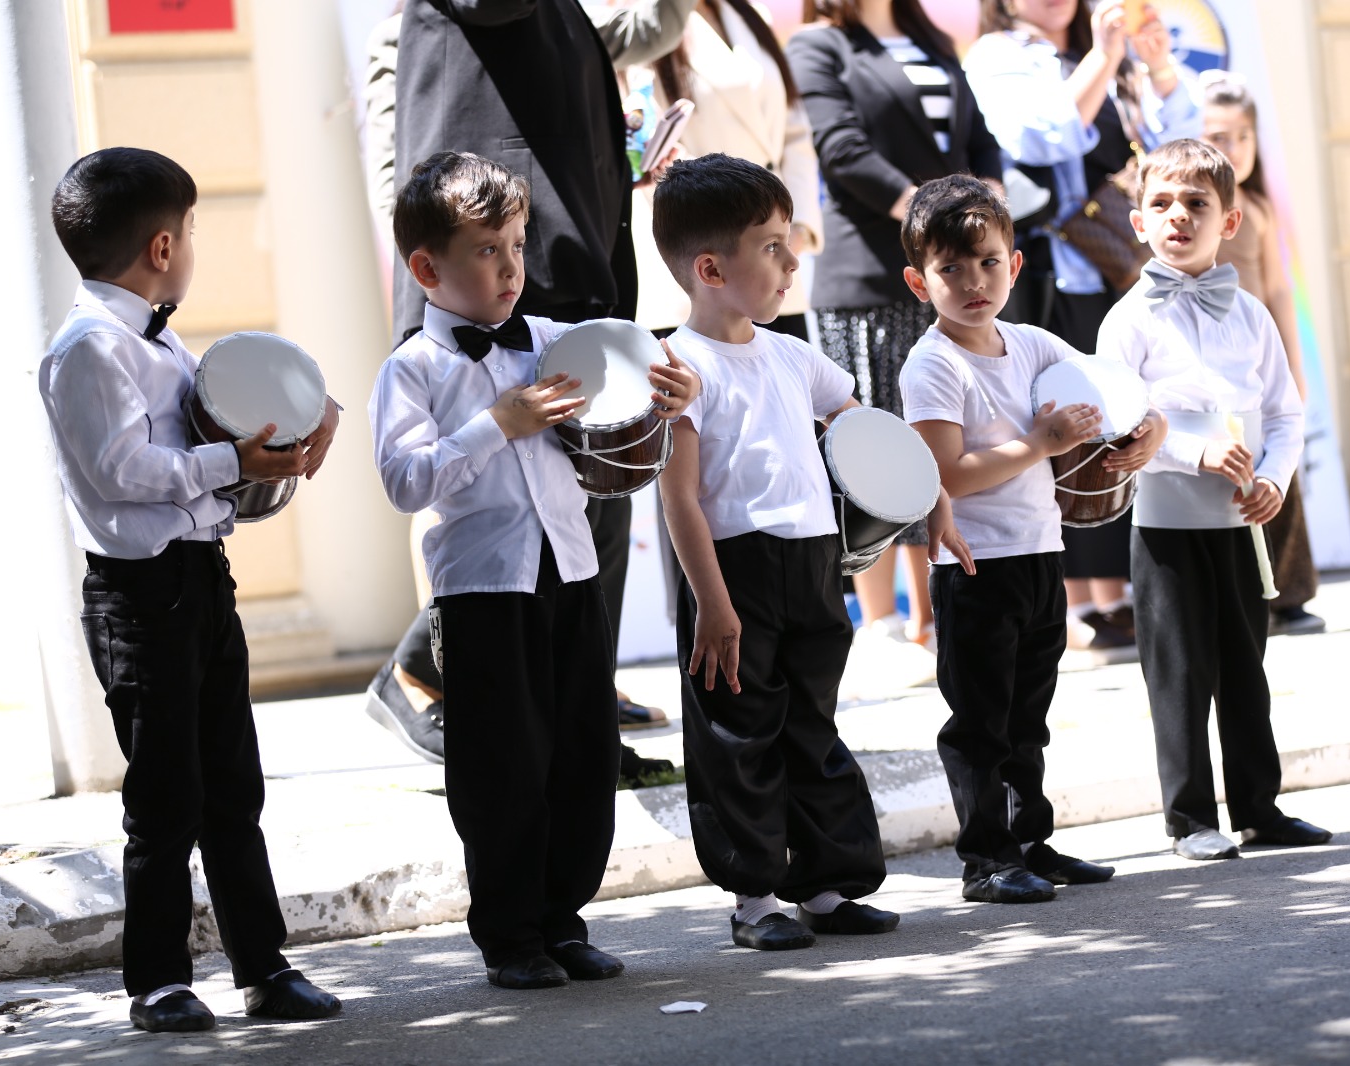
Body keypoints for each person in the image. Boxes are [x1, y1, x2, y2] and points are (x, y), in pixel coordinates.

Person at [370, 151, 700, 988]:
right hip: (484, 592)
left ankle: (564, 920)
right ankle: (511, 936)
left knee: (582, 755)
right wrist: (495, 425)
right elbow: (405, 482)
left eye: (517, 245)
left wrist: (672, 391)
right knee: (501, 769)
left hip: (573, 574)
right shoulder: (412, 369)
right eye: (488, 251)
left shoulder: (553, 341)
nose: (511, 267)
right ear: (426, 269)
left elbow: (634, 389)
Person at [40, 148, 342, 1032]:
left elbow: (216, 421)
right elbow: (121, 470)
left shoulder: (163, 339)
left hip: (202, 580)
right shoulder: (88, 349)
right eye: (193, 231)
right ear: (164, 247)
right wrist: (229, 462)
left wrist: (306, 420)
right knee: (165, 801)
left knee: (232, 790)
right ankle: (159, 982)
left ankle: (264, 969)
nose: (194, 246)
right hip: (140, 598)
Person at [366, 0, 698, 764]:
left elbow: (631, 39)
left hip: (561, 265)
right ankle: (424, 672)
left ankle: (581, 713)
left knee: (595, 497)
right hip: (494, 276)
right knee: (516, 499)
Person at [654, 153, 967, 950]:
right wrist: (713, 604)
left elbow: (863, 430)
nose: (793, 261)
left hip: (814, 562)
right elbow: (679, 498)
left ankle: (827, 888)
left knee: (812, 727)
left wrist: (929, 496)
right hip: (733, 572)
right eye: (772, 247)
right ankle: (755, 899)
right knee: (740, 736)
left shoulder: (792, 353)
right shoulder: (680, 368)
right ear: (710, 268)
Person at [898, 174, 1164, 902]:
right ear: (919, 282)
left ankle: (1030, 844)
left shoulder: (1033, 343)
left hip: (1042, 556)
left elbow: (1116, 392)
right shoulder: (933, 364)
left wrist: (1149, 427)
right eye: (951, 268)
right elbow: (946, 475)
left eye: (988, 262)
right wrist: (1041, 443)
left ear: (1014, 266)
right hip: (975, 567)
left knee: (1027, 720)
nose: (973, 282)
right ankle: (987, 860)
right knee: (980, 723)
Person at [1097, 139, 1332, 860]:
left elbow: (1285, 413)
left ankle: (1260, 807)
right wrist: (1189, 450)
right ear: (1138, 221)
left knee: (1244, 663)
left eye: (1197, 203)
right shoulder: (1127, 321)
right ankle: (1190, 819)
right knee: (1178, 669)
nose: (1178, 215)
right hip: (1167, 523)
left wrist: (1275, 478)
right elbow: (1115, 418)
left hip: (1241, 518)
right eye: (1161, 203)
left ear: (1228, 222)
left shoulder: (1252, 315)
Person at [967, 0, 1200, 655]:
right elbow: (1037, 138)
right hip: (1047, 272)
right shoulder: (999, 56)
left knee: (1124, 422)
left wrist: (1157, 68)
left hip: (1120, 267)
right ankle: (1070, 604)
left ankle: (1121, 596)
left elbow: (1182, 154)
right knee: (1059, 428)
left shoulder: (1111, 52)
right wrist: (1103, 58)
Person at [788, 0, 1002, 660]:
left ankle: (928, 619)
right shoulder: (819, 44)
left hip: (948, 272)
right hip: (871, 276)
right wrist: (936, 216)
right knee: (876, 445)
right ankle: (880, 621)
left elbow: (979, 139)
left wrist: (986, 209)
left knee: (933, 439)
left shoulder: (928, 37)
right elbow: (842, 150)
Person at [1201, 71, 1324, 636]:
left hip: (1258, 363)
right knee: (1226, 479)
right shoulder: (1190, 210)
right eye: (1218, 137)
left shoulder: (1259, 209)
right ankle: (1239, 597)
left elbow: (1278, 290)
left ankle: (1290, 593)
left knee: (1279, 473)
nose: (1233, 148)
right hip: (1208, 367)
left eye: (1242, 136)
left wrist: (1294, 368)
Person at [632, 0, 822, 342]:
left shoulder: (750, 13)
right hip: (705, 263)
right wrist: (746, 231)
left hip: (772, 253)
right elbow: (647, 140)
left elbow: (794, 131)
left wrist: (794, 230)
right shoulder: (639, 19)